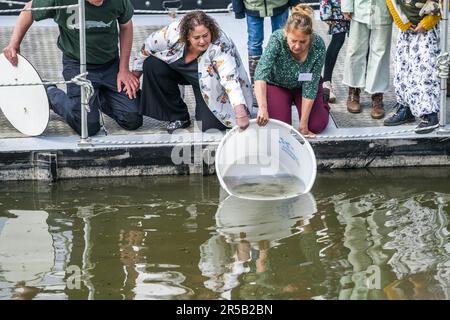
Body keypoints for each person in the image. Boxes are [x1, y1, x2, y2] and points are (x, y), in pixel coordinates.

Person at [2, 0, 143, 136]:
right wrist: (14, 44)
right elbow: (29, 10)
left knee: (133, 119)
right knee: (87, 126)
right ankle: (48, 91)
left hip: (110, 65)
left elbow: (126, 25)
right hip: (77, 66)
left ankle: (95, 95)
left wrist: (124, 69)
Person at [132, 11, 252, 133]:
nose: (202, 41)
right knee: (152, 64)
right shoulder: (173, 33)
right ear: (187, 36)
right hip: (179, 70)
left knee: (209, 126)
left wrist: (240, 113)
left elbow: (229, 79)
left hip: (210, 81)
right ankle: (178, 117)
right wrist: (134, 78)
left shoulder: (220, 44)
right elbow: (147, 47)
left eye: (205, 35)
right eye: (196, 37)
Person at [253, 5, 330, 138]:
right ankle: (283, 102)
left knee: (316, 126)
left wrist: (303, 125)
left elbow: (310, 84)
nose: (297, 46)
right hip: (277, 84)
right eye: (293, 40)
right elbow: (260, 74)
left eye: (303, 41)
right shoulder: (277, 39)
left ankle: (323, 101)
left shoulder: (318, 44)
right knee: (281, 128)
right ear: (286, 33)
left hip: (305, 86)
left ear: (310, 37)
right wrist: (263, 108)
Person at [383, 0, 442, 134]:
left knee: (425, 69)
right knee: (402, 67)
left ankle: (430, 115)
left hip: (428, 27)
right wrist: (403, 22)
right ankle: (406, 108)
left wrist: (429, 21)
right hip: (407, 25)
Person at [341, 0, 392, 119]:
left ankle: (377, 94)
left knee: (380, 52)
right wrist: (347, 5)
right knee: (355, 51)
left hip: (384, 7)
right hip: (360, 7)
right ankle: (353, 91)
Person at [231, 0, 300, 84]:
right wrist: (238, 9)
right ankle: (256, 83)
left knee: (281, 41)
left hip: (279, 4)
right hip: (253, 5)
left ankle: (281, 80)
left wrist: (296, 3)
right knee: (254, 44)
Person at [319, 0, 350, 103]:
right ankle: (327, 83)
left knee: (362, 45)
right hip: (339, 9)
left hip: (361, 9)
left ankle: (359, 85)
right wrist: (326, 11)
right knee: (337, 41)